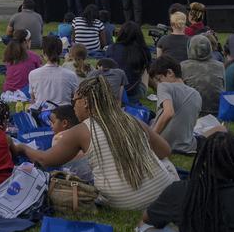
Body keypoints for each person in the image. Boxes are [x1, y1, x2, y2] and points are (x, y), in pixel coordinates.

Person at [17, 76, 179, 210]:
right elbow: (165, 151)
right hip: (164, 192)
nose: (73, 107)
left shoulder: (81, 130)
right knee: (164, 162)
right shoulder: (133, 120)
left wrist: (22, 147)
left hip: (122, 202)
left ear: (85, 102)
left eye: (75, 101)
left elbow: (45, 160)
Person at [148, 55, 204, 155]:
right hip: (187, 147)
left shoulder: (164, 86)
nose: (157, 85)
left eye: (159, 79)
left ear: (170, 73)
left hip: (163, 143)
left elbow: (169, 113)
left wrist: (151, 139)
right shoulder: (196, 94)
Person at [29, 35, 79, 106]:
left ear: (44, 53)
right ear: (61, 52)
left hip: (41, 114)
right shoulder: (71, 75)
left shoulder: (33, 74)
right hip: (64, 114)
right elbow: (75, 98)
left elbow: (33, 99)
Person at [181, 35, 224, 116]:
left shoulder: (183, 66)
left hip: (193, 110)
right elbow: (224, 88)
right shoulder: (220, 66)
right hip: (217, 110)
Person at [107, 21, 151, 99]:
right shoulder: (143, 51)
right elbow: (148, 68)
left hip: (112, 91)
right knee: (145, 69)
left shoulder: (111, 48)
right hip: (132, 93)